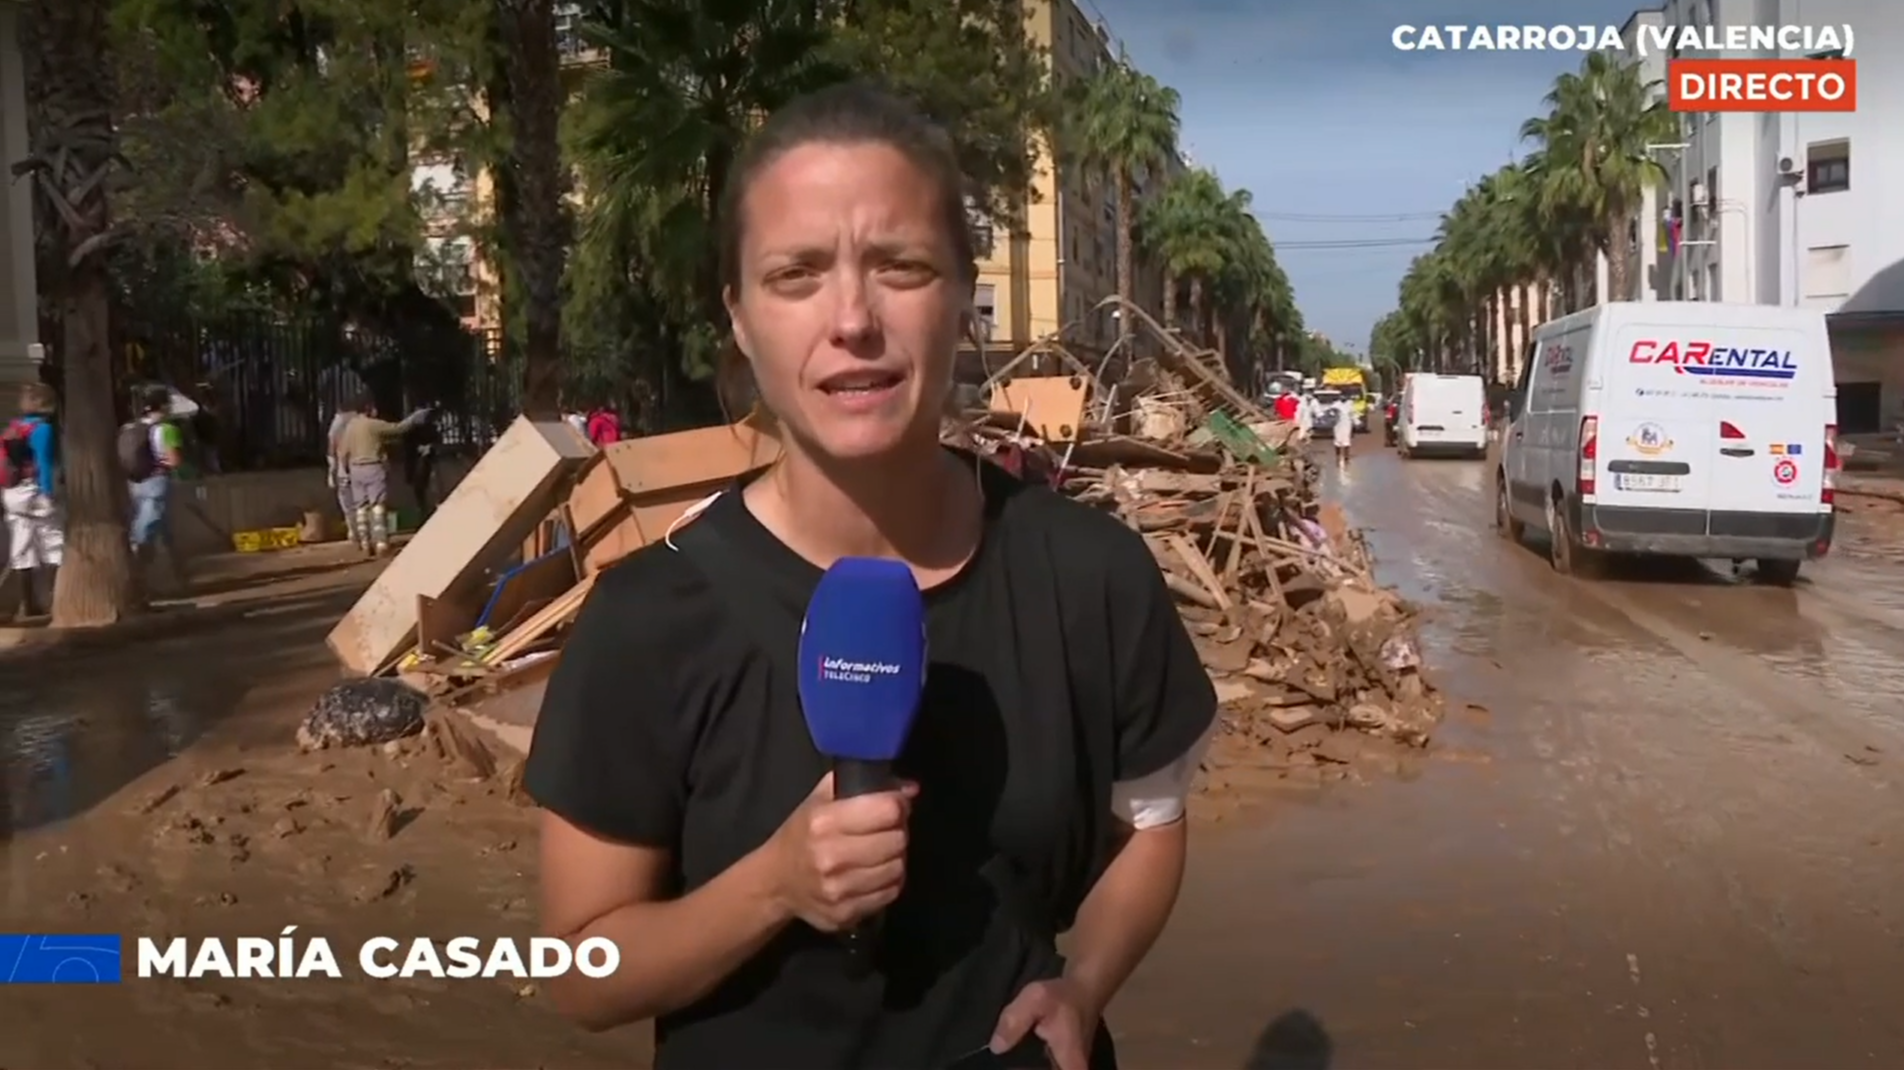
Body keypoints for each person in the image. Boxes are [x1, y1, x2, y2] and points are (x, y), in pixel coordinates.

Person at [521, 82, 1215, 1070]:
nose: (851, 318)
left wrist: (1083, 985)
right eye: (796, 274)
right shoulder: (645, 619)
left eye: (899, 266)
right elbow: (580, 974)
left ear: (961, 293)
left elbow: (1149, 827)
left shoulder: (1090, 575)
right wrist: (771, 885)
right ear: (740, 318)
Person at [334, 397, 432, 556]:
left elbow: (343, 451)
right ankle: (380, 543)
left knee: (361, 507)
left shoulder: (350, 427)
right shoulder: (373, 425)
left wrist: (346, 470)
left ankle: (365, 543)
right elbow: (398, 429)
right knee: (378, 505)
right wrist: (414, 419)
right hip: (373, 467)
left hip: (355, 469)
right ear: (368, 409)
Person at [2, 383, 63, 618]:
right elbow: (44, 463)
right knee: (53, 542)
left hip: (12, 494)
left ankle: (26, 605)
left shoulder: (13, 428)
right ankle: (53, 600)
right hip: (34, 491)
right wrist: (49, 492)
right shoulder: (43, 429)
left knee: (22, 547)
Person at [122, 385, 189, 589]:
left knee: (161, 529)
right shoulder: (167, 429)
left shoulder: (128, 428)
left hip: (133, 483)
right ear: (164, 406)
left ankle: (176, 576)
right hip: (157, 482)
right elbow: (175, 460)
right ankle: (139, 578)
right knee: (146, 532)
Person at [1331, 394, 1354, 464]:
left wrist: (1356, 422)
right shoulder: (1335, 405)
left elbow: (1352, 414)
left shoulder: (1350, 404)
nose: (1343, 397)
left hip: (1347, 424)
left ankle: (1346, 456)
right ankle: (1338, 456)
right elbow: (1331, 414)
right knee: (1337, 440)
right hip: (1338, 425)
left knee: (1346, 440)